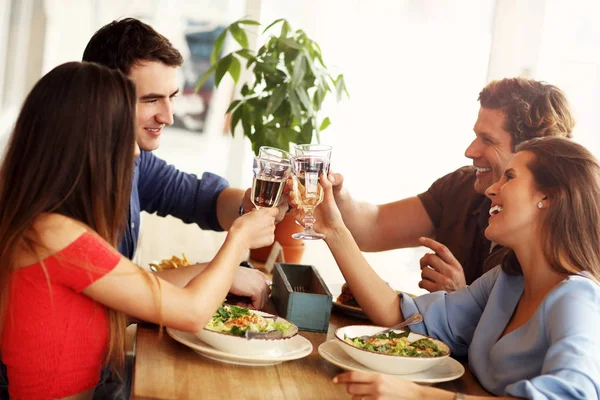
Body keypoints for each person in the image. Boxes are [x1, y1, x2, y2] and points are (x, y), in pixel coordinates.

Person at [0, 61, 278, 400]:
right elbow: (191, 312)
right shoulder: (55, 234)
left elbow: (134, 291)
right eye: (122, 135)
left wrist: (219, 270)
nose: (134, 151)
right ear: (88, 142)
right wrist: (239, 239)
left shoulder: (45, 225)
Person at [293, 136, 600, 399]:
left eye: (509, 177)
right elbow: (405, 319)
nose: (492, 188)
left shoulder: (576, 299)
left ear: (547, 197)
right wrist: (334, 231)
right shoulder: (506, 281)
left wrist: (416, 394)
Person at [81, 17, 287, 309]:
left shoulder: (133, 160)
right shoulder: (74, 182)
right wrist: (223, 270)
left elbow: (196, 198)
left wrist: (249, 207)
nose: (168, 117)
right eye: (151, 100)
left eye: (172, 98)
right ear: (103, 97)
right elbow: (116, 294)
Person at [329, 78, 575, 293]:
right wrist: (337, 195)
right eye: (476, 135)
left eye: (488, 140)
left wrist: (461, 297)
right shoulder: (463, 187)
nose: (470, 151)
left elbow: (526, 339)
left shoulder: (566, 243)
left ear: (533, 154)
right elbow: (374, 227)